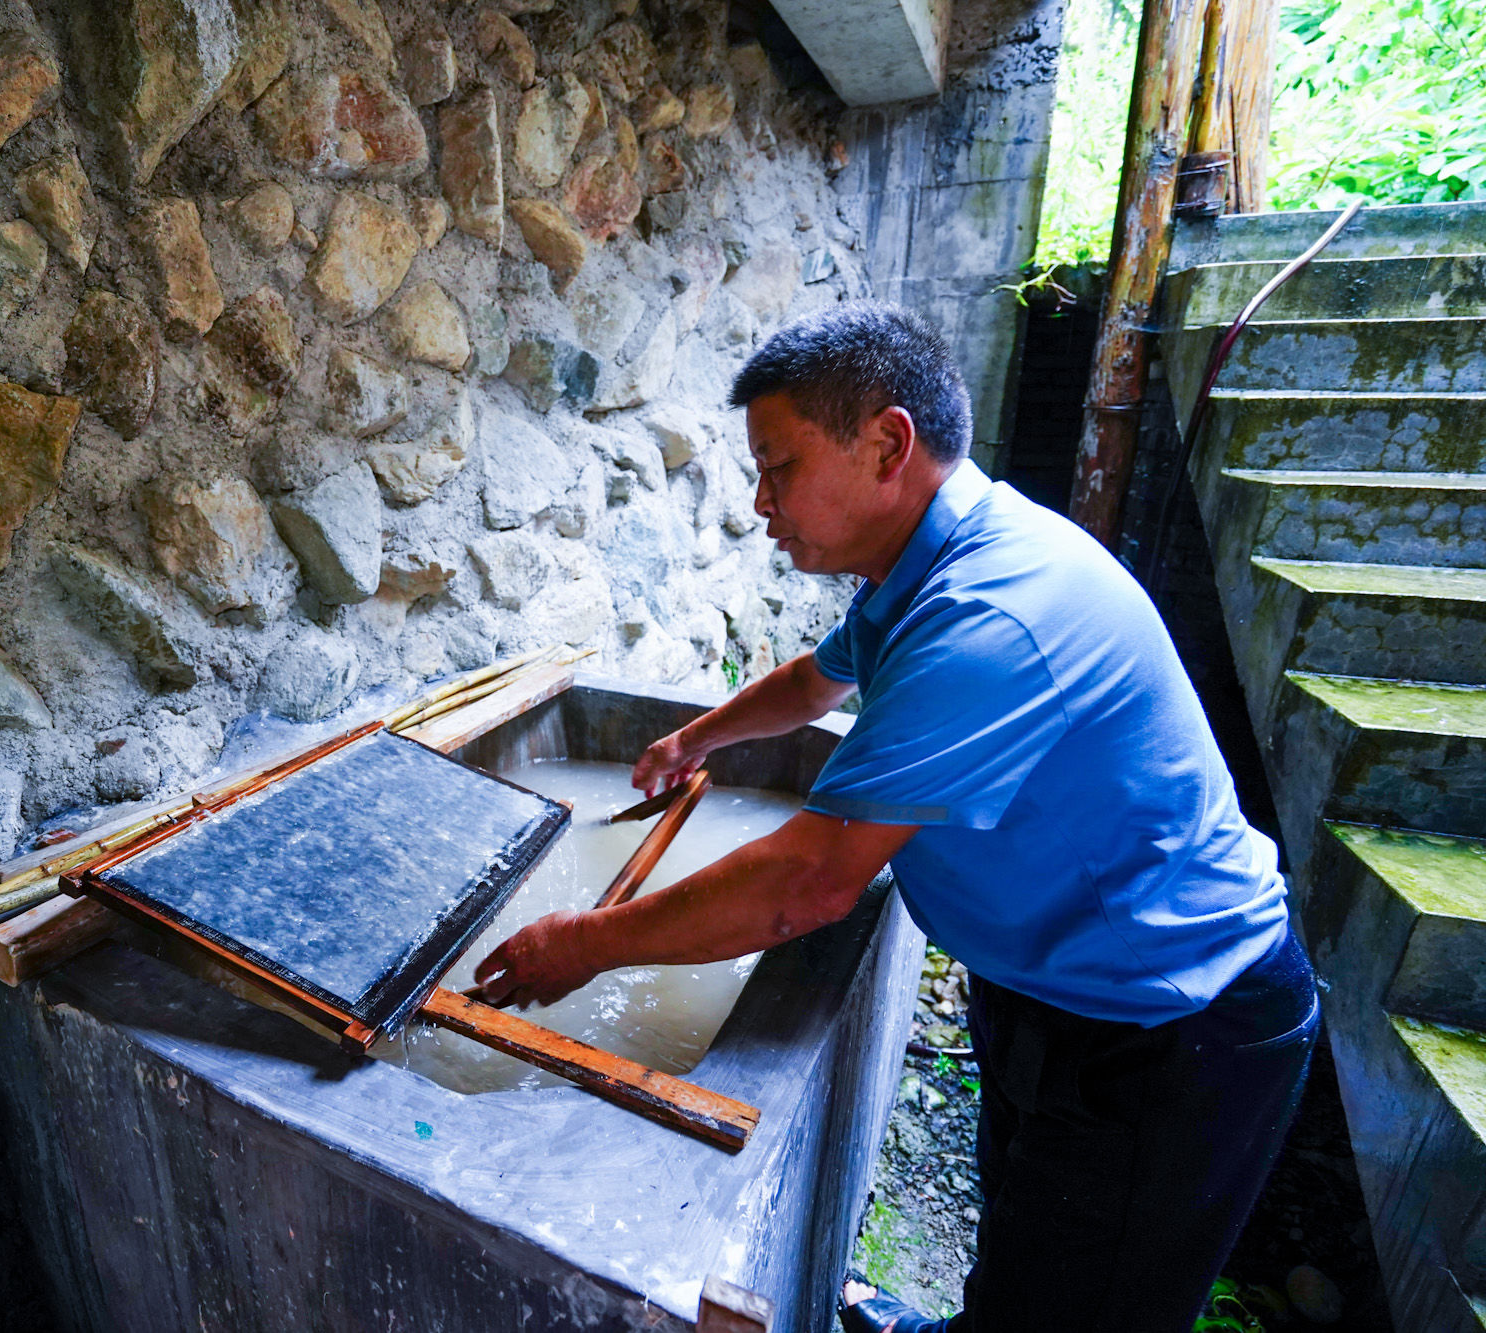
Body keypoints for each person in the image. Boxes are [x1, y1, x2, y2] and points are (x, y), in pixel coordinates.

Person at [473, 302, 1319, 1333]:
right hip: (1056, 988)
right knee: (1024, 1246)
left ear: (885, 443)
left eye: (777, 467)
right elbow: (817, 678)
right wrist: (698, 739)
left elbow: (808, 882)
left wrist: (585, 941)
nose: (758, 502)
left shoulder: (987, 615)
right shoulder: (923, 566)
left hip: (1171, 1025)